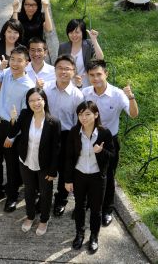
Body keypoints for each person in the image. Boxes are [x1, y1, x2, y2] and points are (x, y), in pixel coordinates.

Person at [82, 59, 138, 227]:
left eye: (99, 74)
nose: (96, 78)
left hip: (109, 141)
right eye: (92, 75)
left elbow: (134, 115)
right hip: (88, 138)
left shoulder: (117, 94)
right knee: (87, 173)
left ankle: (107, 209)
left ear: (106, 74)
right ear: (88, 76)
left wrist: (131, 97)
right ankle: (88, 204)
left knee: (107, 175)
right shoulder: (85, 93)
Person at [0, 45, 35, 212]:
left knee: (12, 165)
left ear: (27, 63)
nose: (15, 63)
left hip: (13, 128)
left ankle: (12, 196)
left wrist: (12, 136)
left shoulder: (28, 86)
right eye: (12, 59)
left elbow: (24, 116)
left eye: (19, 60)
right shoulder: (6, 74)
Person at [6, 88, 61, 235]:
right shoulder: (25, 115)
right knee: (29, 191)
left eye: (39, 99)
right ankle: (30, 216)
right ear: (27, 103)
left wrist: (53, 170)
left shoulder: (53, 122)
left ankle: (44, 219)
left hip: (45, 165)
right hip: (26, 161)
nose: (35, 103)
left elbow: (56, 149)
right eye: (31, 100)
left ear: (44, 100)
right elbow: (13, 132)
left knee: (45, 193)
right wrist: (13, 119)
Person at [65, 101, 114, 254]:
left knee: (96, 209)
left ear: (96, 115)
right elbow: (68, 157)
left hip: (97, 177)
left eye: (87, 114)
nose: (84, 118)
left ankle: (94, 236)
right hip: (79, 175)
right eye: (80, 114)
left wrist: (101, 151)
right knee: (79, 206)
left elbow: (113, 156)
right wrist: (68, 180)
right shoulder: (74, 132)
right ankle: (79, 234)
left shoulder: (104, 133)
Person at [43, 54, 84, 216]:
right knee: (46, 167)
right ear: (55, 70)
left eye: (67, 69)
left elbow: (78, 123)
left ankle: (61, 199)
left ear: (73, 72)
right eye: (60, 68)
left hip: (67, 136)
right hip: (47, 133)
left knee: (65, 170)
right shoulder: (45, 89)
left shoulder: (77, 96)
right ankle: (44, 197)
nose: (63, 72)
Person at [58, 19, 103, 88]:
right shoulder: (63, 47)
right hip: (68, 84)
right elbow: (59, 66)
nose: (74, 35)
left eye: (77, 32)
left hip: (86, 83)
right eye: (71, 32)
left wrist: (94, 40)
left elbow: (100, 58)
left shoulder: (88, 44)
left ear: (83, 32)